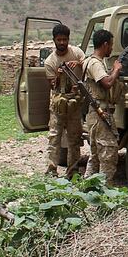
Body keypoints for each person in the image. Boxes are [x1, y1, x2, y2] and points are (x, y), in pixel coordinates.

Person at [43, 24, 85, 179]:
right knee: (54, 137)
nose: (62, 42)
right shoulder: (50, 61)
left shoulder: (76, 52)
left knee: (74, 138)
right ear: (54, 40)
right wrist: (59, 75)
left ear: (69, 39)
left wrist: (79, 63)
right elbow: (52, 85)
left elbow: (87, 63)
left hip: (74, 101)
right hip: (58, 103)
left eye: (65, 39)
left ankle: (73, 171)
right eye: (59, 40)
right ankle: (51, 170)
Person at [83, 29, 124, 186]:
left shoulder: (89, 61)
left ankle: (87, 188)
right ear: (105, 44)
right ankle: (106, 193)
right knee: (108, 153)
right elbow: (106, 83)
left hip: (94, 114)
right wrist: (116, 70)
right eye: (111, 45)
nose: (112, 48)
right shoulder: (95, 63)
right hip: (100, 114)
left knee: (95, 155)